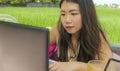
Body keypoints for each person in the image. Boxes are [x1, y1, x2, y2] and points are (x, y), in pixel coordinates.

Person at [49, 0, 112, 71]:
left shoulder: (99, 35)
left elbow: (109, 68)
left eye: (73, 14)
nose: (67, 20)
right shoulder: (59, 30)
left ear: (87, 14)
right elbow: (37, 43)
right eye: (63, 14)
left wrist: (79, 65)